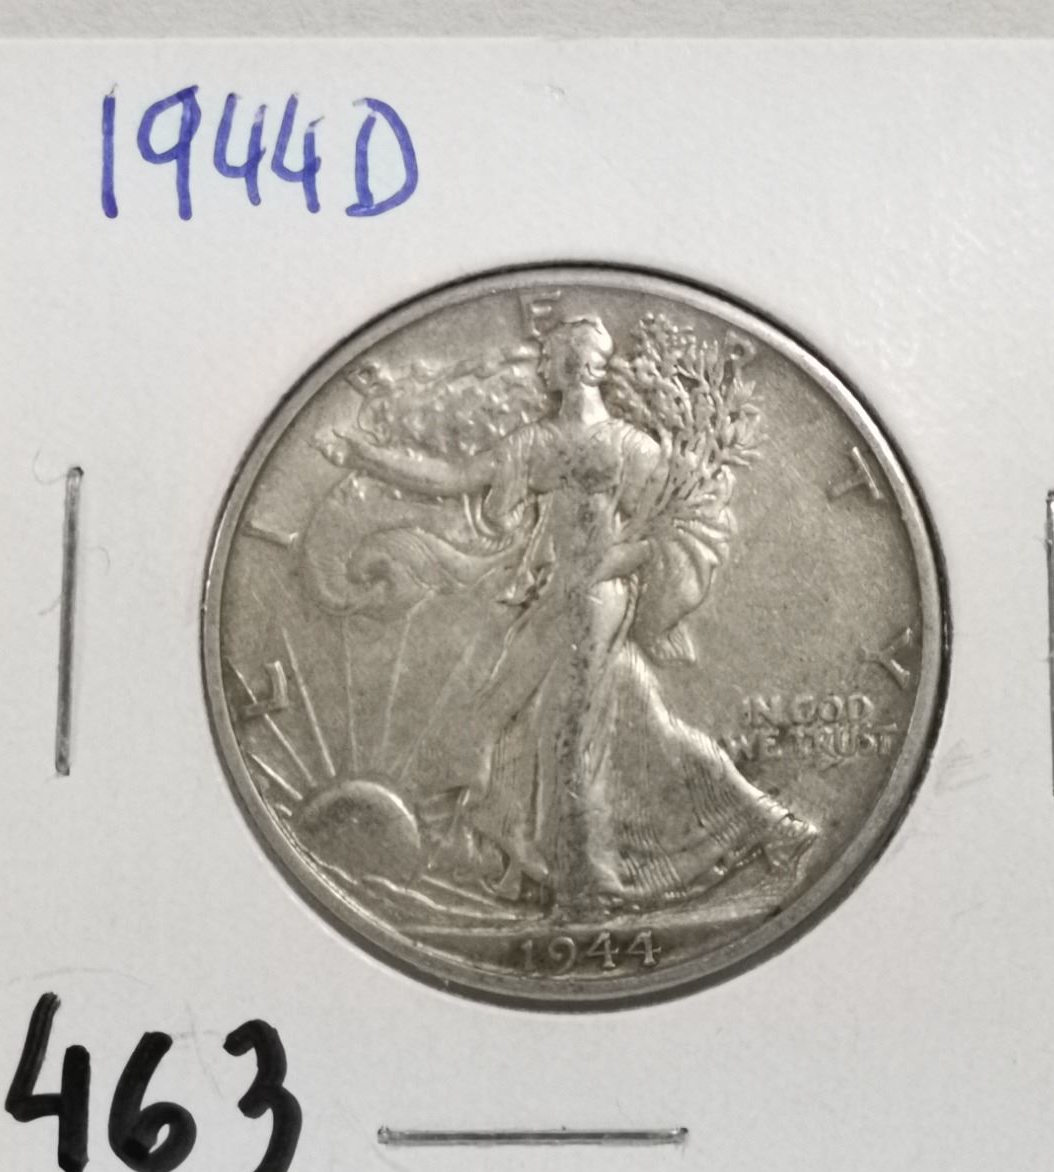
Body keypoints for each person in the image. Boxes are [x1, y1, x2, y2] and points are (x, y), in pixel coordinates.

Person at [322, 315, 813, 918]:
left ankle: (588, 884)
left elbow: (682, 523)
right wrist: (365, 456)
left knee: (568, 736)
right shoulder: (537, 442)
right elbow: (453, 479)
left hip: (596, 602)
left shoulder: (628, 447)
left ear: (576, 367)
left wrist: (616, 560)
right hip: (555, 599)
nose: (541, 365)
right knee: (620, 724)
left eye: (550, 356)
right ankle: (768, 826)